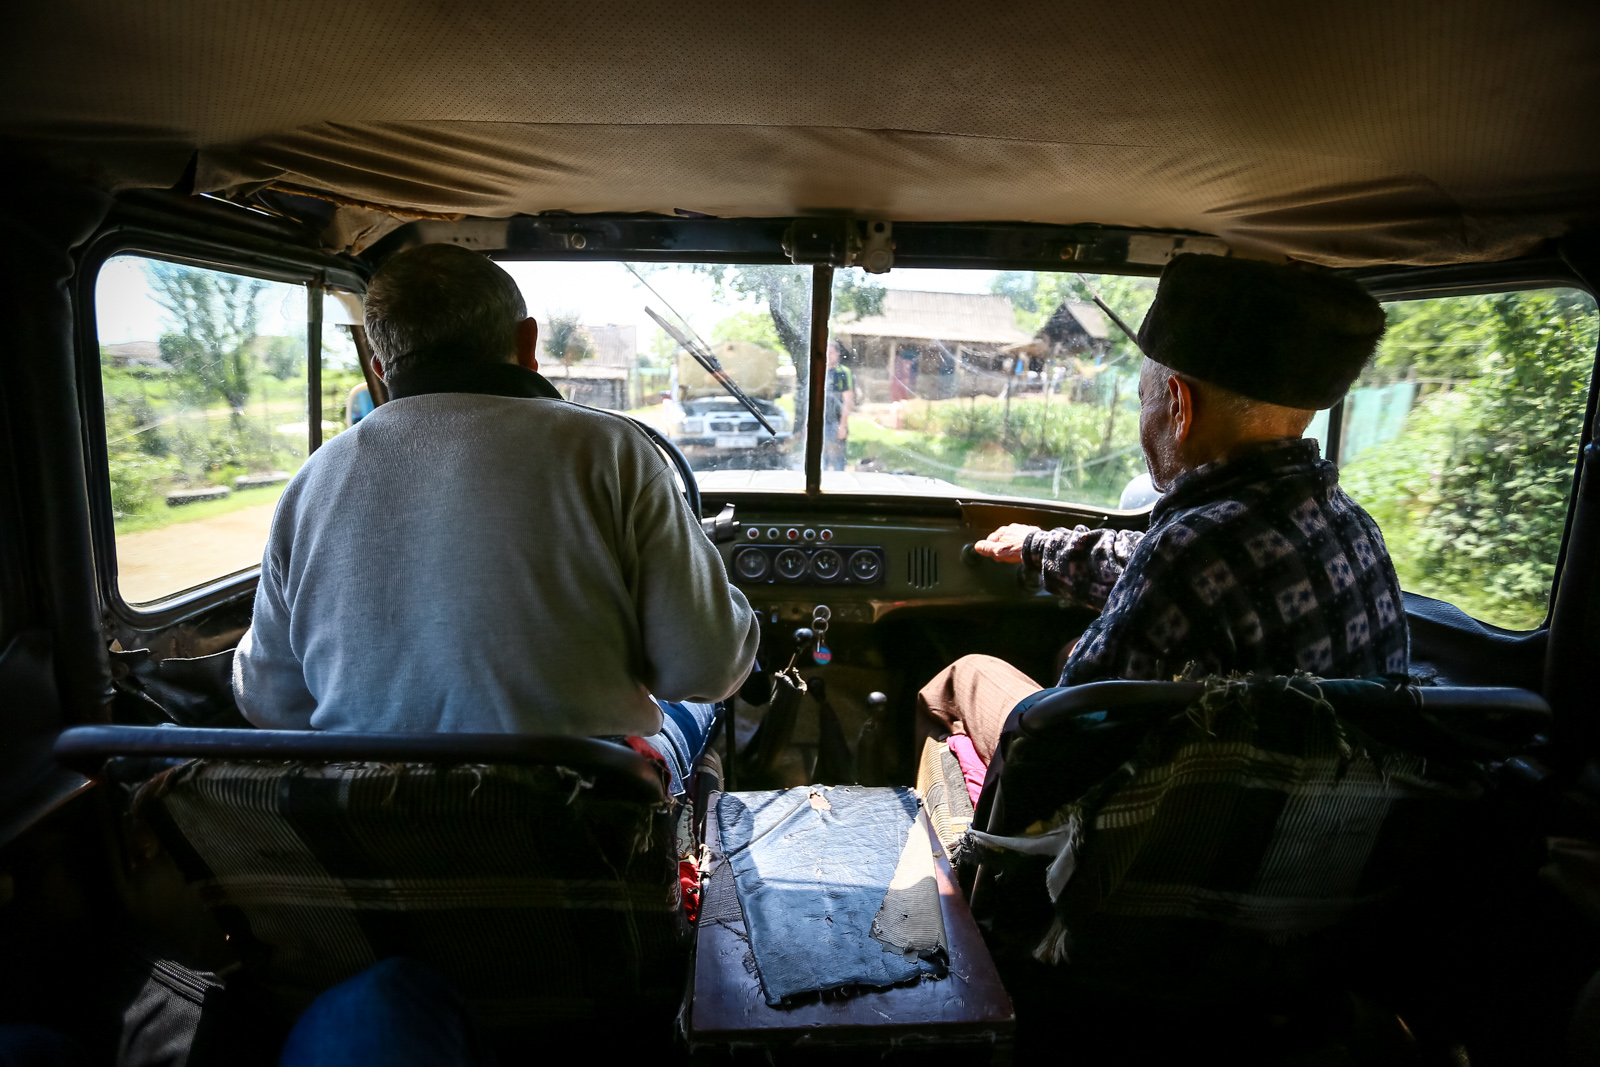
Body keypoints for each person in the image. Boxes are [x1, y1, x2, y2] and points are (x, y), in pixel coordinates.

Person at [233, 243, 759, 796]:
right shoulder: (609, 448)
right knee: (696, 713)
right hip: (573, 817)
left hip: (373, 818)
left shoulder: (312, 480)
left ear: (382, 368)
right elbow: (705, 671)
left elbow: (268, 699)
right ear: (527, 342)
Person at [919, 253, 1406, 771]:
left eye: (1141, 398)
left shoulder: (1189, 551)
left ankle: (973, 852)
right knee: (1067, 647)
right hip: (1312, 823)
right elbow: (1178, 570)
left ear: (1178, 405)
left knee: (961, 678)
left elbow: (1056, 750)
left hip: (1162, 836)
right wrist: (1039, 547)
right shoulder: (1353, 525)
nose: (1141, 416)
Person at [822, 339, 854, 471]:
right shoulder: (819, 371)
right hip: (821, 421)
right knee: (821, 457)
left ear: (837, 354)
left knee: (837, 457)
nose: (828, 356)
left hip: (835, 421)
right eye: (826, 353)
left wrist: (842, 425)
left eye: (831, 352)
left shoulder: (843, 372)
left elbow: (847, 400)